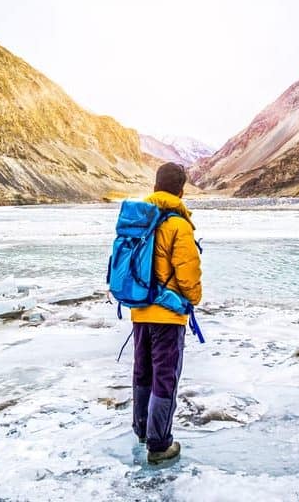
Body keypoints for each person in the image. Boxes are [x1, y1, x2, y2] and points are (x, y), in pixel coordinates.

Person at [132, 162, 202, 464]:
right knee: (165, 377)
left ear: (155, 187)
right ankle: (160, 444)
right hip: (167, 317)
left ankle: (143, 430)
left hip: (140, 311)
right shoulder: (178, 225)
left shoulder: (141, 220)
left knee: (143, 372)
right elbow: (188, 274)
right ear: (181, 190)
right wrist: (193, 299)